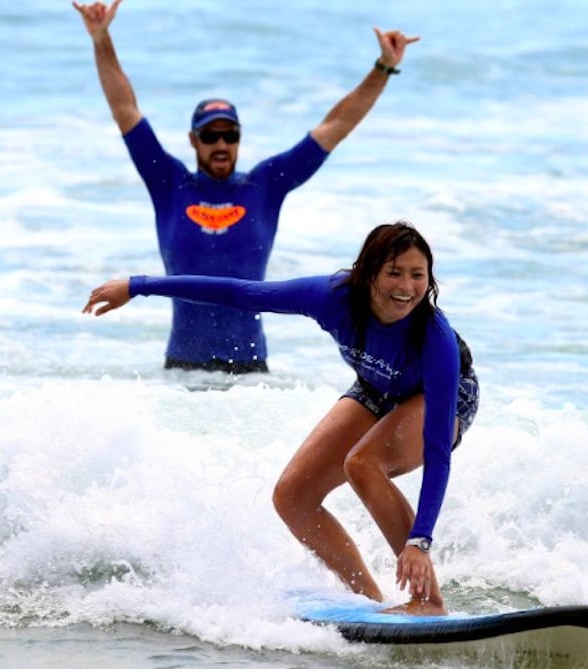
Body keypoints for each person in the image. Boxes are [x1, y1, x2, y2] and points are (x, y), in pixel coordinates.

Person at [83, 221, 478, 615]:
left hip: (442, 395)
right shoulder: (332, 297)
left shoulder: (434, 338)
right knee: (293, 497)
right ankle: (370, 603)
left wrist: (419, 540)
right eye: (394, 273)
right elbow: (241, 294)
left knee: (362, 463)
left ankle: (428, 602)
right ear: (367, 272)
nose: (406, 287)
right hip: (377, 386)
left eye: (417, 275)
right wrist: (138, 286)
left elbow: (438, 452)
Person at [74, 1, 419, 374]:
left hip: (252, 375)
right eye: (210, 135)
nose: (221, 144)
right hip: (181, 370)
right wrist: (100, 37)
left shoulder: (265, 185)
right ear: (193, 140)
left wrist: (384, 68)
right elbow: (125, 109)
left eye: (230, 134)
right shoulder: (169, 182)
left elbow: (334, 127)